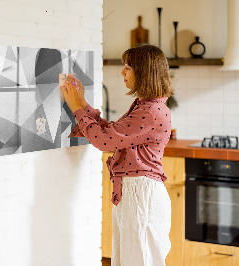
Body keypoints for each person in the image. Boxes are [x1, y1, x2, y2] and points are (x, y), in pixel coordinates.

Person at [61, 44, 173, 266]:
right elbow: (112, 133)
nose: (122, 72)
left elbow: (104, 141)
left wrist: (76, 108)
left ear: (144, 72)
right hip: (136, 193)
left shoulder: (150, 111)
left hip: (141, 195)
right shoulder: (146, 106)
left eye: (128, 67)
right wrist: (82, 104)